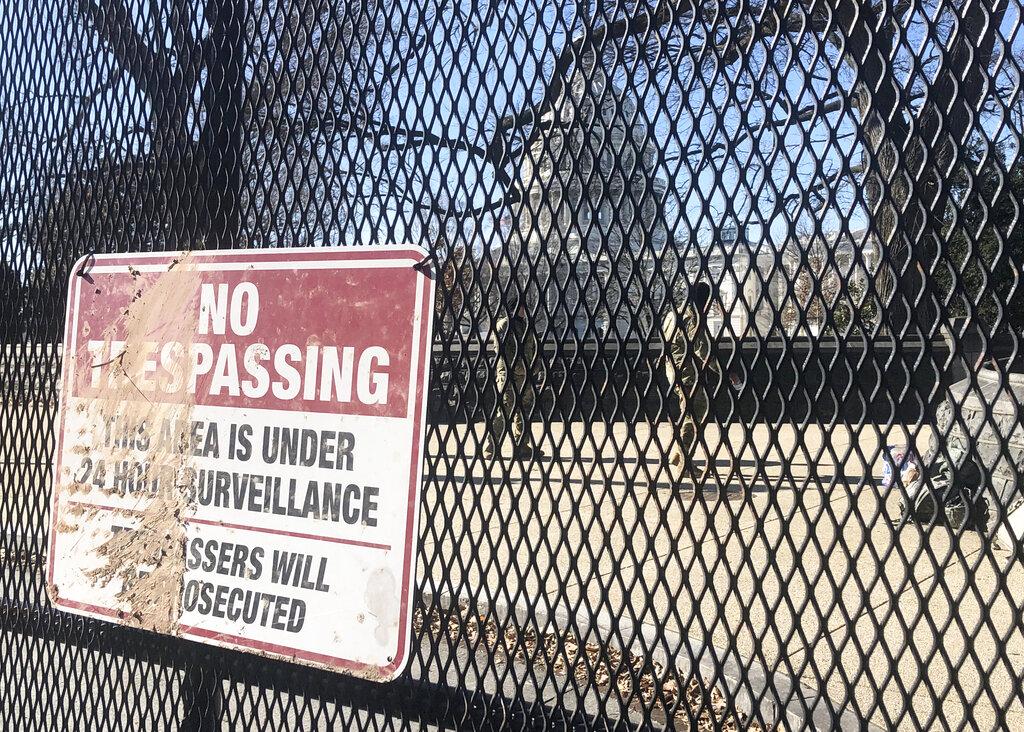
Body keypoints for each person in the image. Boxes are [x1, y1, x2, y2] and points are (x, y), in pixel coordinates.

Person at [662, 282, 716, 485]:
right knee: (694, 414)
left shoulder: (673, 313)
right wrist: (728, 373)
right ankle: (684, 460)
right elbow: (704, 351)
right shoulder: (693, 317)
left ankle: (677, 455)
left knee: (687, 412)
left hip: (672, 370)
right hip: (687, 373)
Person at [484, 295, 542, 460]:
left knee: (523, 411)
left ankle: (522, 446)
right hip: (509, 375)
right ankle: (491, 447)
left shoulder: (526, 326)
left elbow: (533, 348)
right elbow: (503, 351)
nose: (524, 310)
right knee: (504, 410)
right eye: (522, 307)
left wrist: (534, 367)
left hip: (526, 374)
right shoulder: (504, 324)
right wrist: (519, 369)